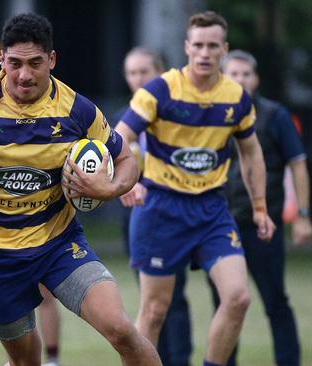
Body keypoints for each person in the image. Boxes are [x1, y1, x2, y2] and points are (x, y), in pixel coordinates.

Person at [0, 13, 162, 366]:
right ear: (1, 60)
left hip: (60, 246)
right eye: (14, 63)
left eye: (35, 63)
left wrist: (108, 188)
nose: (23, 75)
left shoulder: (77, 110)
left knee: (121, 329)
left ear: (51, 60)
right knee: (25, 361)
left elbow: (127, 161)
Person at [115, 11, 276, 366]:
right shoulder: (160, 90)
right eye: (198, 45)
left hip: (211, 210)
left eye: (213, 46)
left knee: (238, 298)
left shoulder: (235, 97)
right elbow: (120, 137)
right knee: (155, 310)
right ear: (187, 47)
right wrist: (124, 182)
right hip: (160, 208)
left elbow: (251, 153)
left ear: (224, 49)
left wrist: (260, 206)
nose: (205, 53)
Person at [211, 49, 311, 366]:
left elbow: (298, 165)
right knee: (225, 304)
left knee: (275, 301)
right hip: (220, 226)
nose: (240, 80)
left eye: (246, 74)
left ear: (256, 79)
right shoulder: (210, 115)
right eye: (233, 74)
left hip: (262, 225)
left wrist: (303, 217)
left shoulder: (274, 115)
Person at [116, 47, 193, 366]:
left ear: (161, 74)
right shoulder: (124, 119)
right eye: (132, 73)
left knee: (173, 298)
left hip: (173, 211)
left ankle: (179, 360)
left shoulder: (178, 114)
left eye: (144, 71)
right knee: (150, 300)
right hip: (135, 213)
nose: (138, 79)